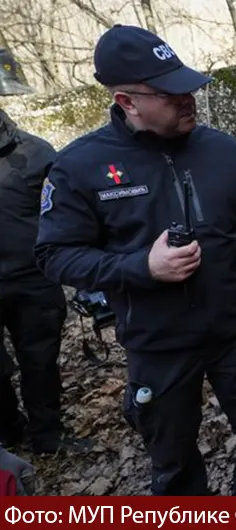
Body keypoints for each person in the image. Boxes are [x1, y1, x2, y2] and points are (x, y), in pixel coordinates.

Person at [33, 25, 236, 496]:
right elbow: (55, 256)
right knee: (174, 467)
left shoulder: (223, 149)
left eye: (188, 86)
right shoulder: (80, 167)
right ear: (127, 102)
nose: (187, 98)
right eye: (169, 92)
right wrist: (143, 267)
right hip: (158, 347)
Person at [0, 49, 86, 455]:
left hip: (33, 279)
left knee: (41, 361)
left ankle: (47, 433)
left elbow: (69, 213)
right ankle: (8, 429)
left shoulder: (35, 153)